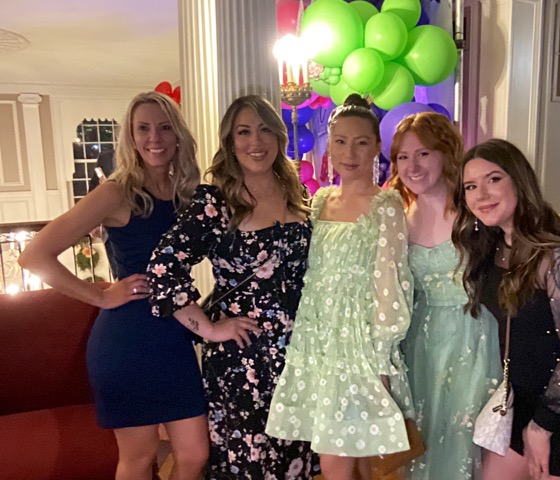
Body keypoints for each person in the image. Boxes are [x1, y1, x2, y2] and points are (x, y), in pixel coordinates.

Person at [18, 91, 213, 480]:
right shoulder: (116, 191)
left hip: (173, 338)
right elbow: (35, 255)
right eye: (143, 128)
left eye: (164, 127)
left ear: (178, 136)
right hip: (128, 341)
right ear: (131, 137)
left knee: (195, 453)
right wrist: (100, 295)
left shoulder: (186, 195)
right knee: (140, 457)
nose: (154, 138)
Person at [146, 94, 318, 480]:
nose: (256, 141)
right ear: (229, 141)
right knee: (249, 463)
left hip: (299, 354)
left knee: (295, 461)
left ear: (279, 136)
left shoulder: (296, 194)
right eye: (243, 132)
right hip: (244, 360)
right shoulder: (215, 201)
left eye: (264, 130)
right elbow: (163, 268)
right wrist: (209, 329)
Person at [451, 138, 560, 480]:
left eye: (493, 179)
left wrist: (542, 426)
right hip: (521, 404)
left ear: (519, 181)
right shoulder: (493, 247)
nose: (481, 194)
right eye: (470, 186)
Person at [265, 94, 415, 480]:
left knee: (338, 459)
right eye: (340, 141)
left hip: (357, 346)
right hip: (317, 339)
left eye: (361, 142)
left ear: (376, 147)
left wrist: (381, 359)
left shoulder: (386, 205)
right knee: (344, 457)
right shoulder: (319, 200)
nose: (349, 153)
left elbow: (391, 283)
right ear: (329, 145)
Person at [388, 112, 501, 479]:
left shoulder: (475, 209)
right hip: (420, 341)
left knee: (464, 432)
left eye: (423, 153)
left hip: (473, 334)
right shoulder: (399, 217)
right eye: (403, 157)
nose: (412, 166)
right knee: (427, 433)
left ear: (445, 153)